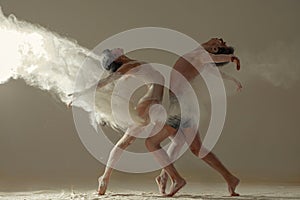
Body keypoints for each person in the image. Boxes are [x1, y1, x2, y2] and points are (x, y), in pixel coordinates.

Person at [145, 38, 241, 197]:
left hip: (181, 105)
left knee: (151, 142)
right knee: (195, 148)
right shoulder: (198, 56)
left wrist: (231, 58)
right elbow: (213, 69)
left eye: (222, 43)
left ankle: (176, 179)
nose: (221, 39)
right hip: (183, 105)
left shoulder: (201, 54)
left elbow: (213, 60)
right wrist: (232, 79)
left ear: (215, 48)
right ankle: (230, 178)